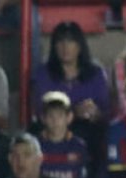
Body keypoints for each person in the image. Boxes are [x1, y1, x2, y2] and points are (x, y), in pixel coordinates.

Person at [31, 20, 109, 161]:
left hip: (89, 128)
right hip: (54, 127)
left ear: (79, 46)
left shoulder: (96, 73)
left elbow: (105, 108)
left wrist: (95, 113)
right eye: (60, 42)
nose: (65, 47)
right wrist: (73, 113)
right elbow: (40, 109)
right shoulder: (44, 73)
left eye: (71, 42)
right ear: (54, 46)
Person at [36, 92, 90, 178]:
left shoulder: (78, 146)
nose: (55, 121)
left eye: (60, 116)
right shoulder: (35, 145)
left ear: (69, 117)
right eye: (50, 116)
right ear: (43, 118)